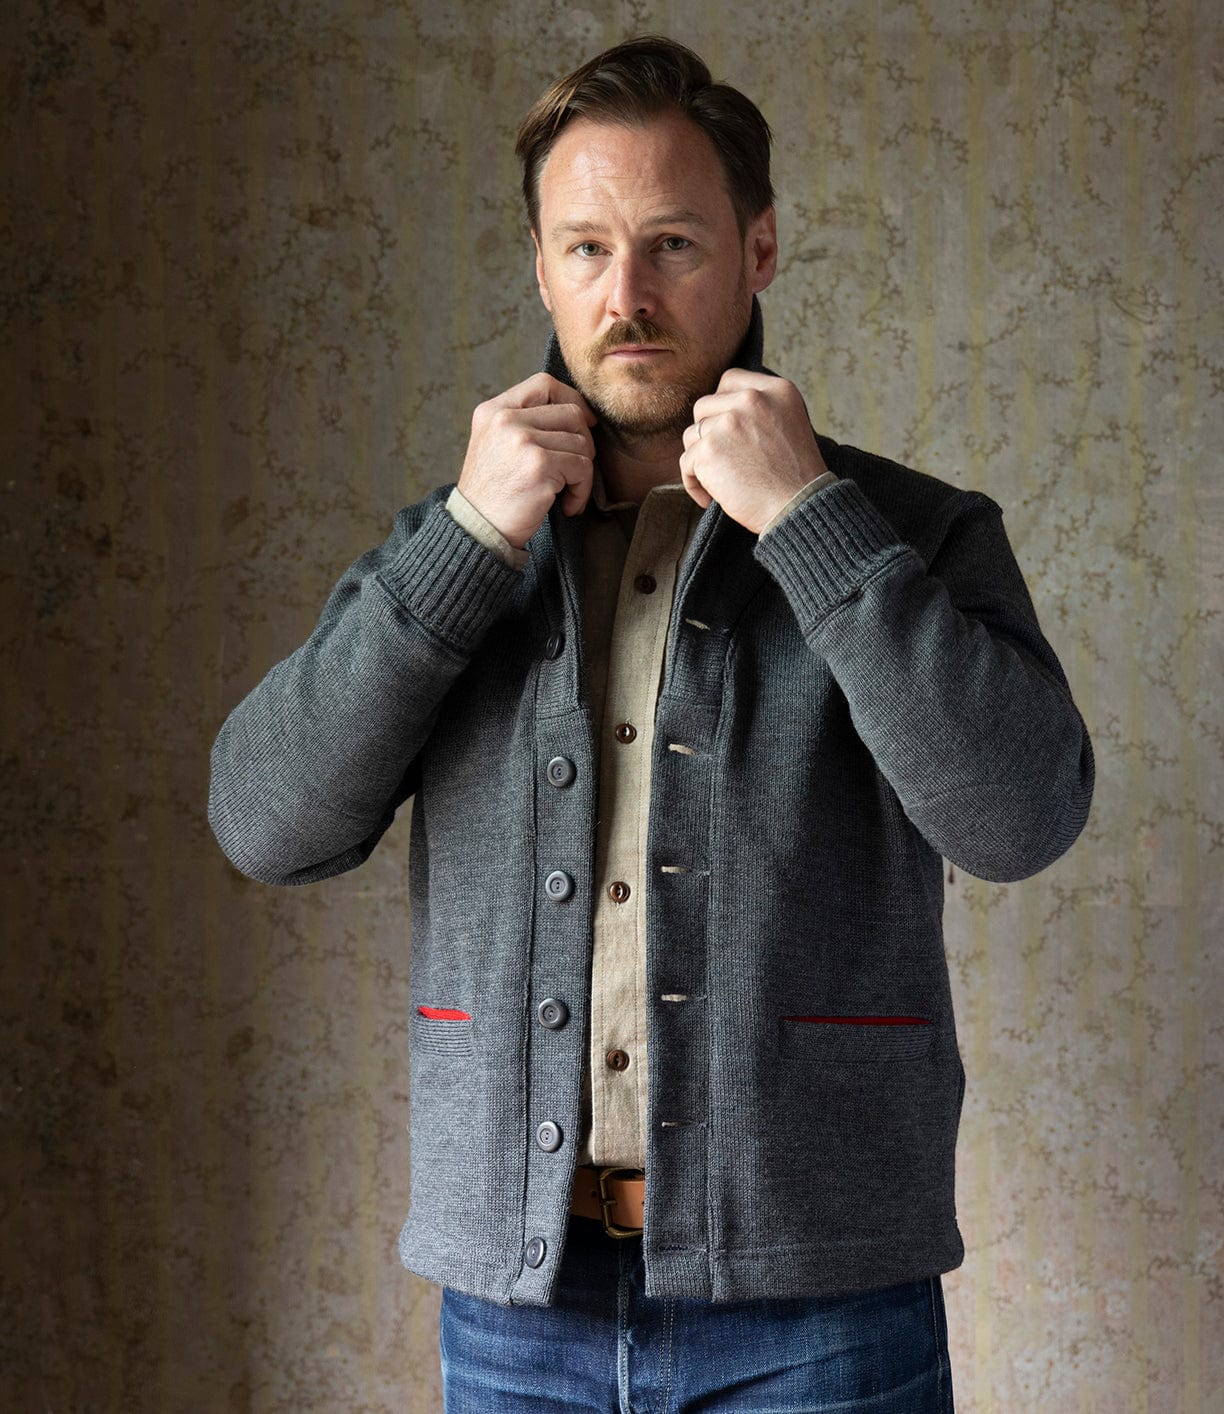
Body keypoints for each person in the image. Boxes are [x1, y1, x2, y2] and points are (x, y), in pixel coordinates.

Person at [209, 35, 1094, 1413]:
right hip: (520, 1312)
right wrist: (462, 540)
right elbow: (265, 821)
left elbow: (1023, 813)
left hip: (823, 1305)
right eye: (584, 249)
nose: (626, 297)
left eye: (673, 243)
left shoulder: (909, 533)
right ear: (540, 266)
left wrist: (809, 522)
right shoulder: (453, 550)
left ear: (759, 249)